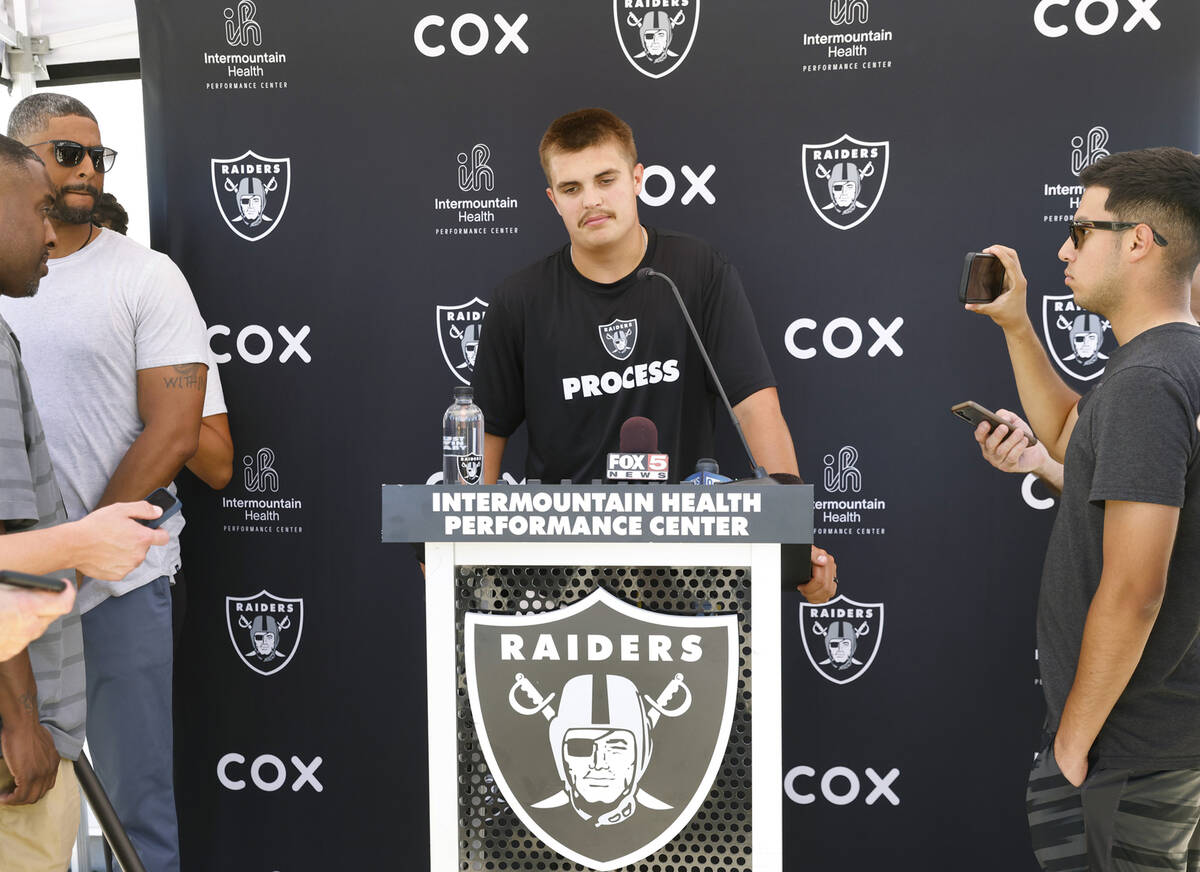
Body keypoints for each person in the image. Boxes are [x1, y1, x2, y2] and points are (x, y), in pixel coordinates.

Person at [471, 108, 836, 601]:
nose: (592, 200)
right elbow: (484, 440)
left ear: (638, 179)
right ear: (553, 199)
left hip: (687, 571)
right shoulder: (519, 300)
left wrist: (794, 547)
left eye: (606, 179)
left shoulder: (696, 272)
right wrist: (467, 562)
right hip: (558, 572)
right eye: (572, 188)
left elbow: (755, 406)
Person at [966, 147, 1200, 871]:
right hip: (1158, 753)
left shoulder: (1148, 381)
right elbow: (1070, 437)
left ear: (1138, 242)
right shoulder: (1166, 365)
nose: (1064, 247)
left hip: (1127, 759)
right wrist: (1016, 324)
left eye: (1080, 230)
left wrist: (1072, 746)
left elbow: (1134, 591)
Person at [5, 93, 209, 872]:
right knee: (28, 798)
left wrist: (81, 551)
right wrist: (48, 562)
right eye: (67, 153)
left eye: (98, 155)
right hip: (9, 593)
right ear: (23, 160)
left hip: (119, 583)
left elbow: (176, 429)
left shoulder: (146, 275)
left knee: (133, 810)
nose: (88, 168)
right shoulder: (9, 275)